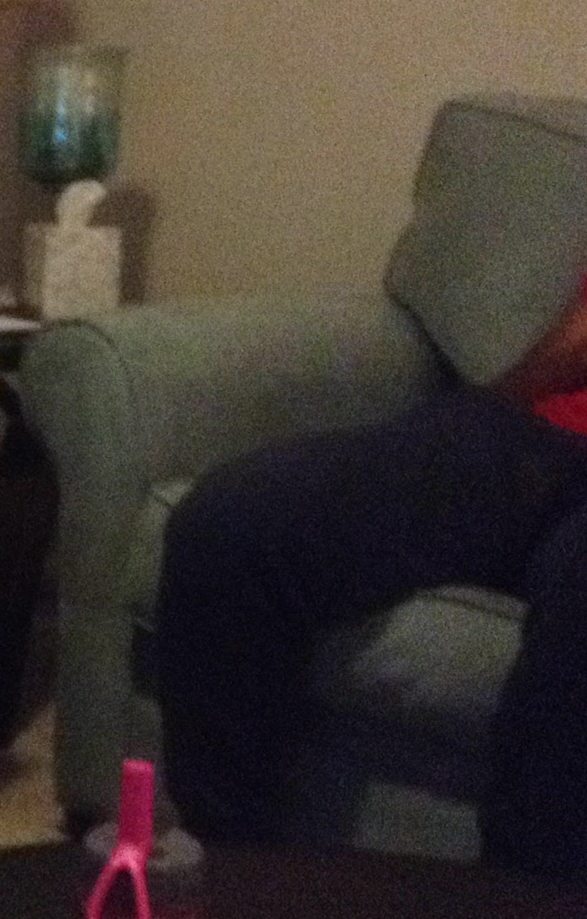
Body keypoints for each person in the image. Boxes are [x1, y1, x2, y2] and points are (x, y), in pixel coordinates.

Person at [153, 279, 587, 884]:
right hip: (538, 435)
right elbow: (559, 354)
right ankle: (232, 877)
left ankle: (524, 896)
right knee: (231, 526)